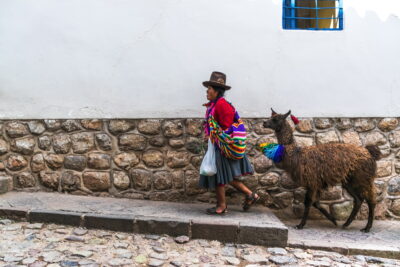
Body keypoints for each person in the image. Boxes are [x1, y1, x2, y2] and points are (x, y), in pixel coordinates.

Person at [199, 71, 259, 215]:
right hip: (218, 145)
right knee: (226, 176)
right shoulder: (214, 105)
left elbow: (226, 126)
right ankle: (251, 195)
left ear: (217, 91)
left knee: (219, 175)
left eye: (210, 89)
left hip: (223, 146)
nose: (207, 91)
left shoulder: (222, 105)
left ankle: (221, 206)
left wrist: (213, 135)